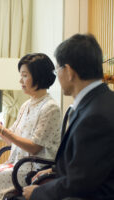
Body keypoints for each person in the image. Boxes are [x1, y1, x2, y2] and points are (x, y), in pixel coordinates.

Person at [23, 34, 114, 200]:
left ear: (70, 71)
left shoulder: (95, 117)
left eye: (57, 69)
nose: (57, 76)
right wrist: (54, 170)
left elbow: (80, 184)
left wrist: (37, 193)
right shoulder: (100, 102)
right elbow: (89, 164)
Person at [0, 53, 62, 200]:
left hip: (33, 171)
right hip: (16, 165)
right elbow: (12, 140)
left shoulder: (50, 108)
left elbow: (35, 147)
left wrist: (2, 130)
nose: (20, 80)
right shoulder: (26, 105)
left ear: (39, 76)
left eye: (24, 76)